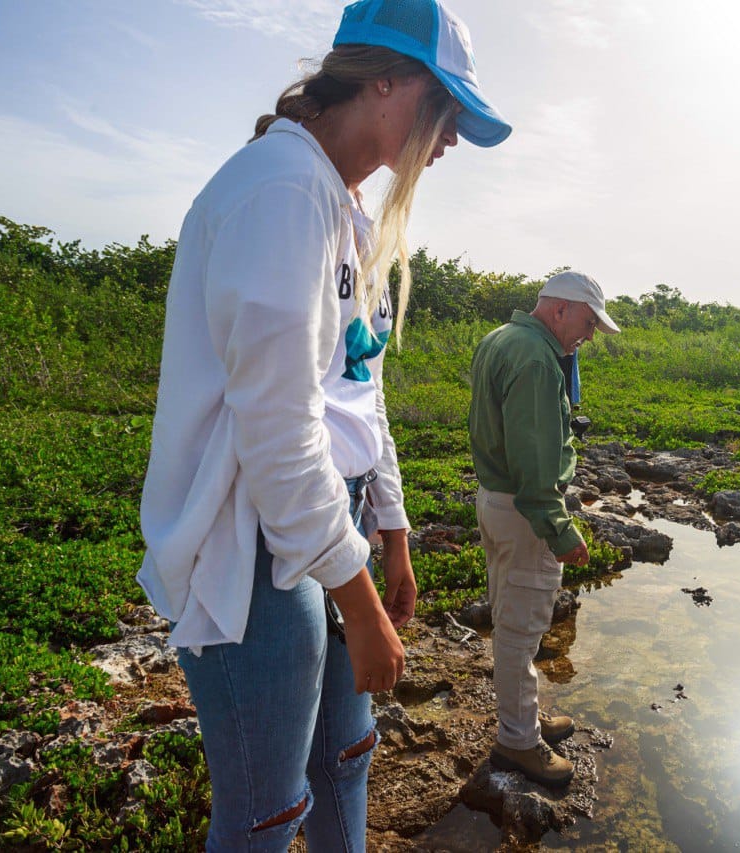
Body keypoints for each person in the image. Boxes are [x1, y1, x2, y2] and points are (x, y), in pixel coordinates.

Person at [137, 1, 510, 848]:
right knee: (267, 810)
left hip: (326, 521)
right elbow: (276, 428)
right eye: (445, 110)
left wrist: (393, 529)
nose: (449, 140)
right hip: (259, 545)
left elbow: (357, 388)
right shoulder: (280, 192)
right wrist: (360, 602)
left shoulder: (341, 206)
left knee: (347, 754)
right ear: (384, 79)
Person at [468, 271, 620, 787]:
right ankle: (517, 744)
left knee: (513, 616)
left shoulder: (502, 338)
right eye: (588, 321)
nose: (590, 334)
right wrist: (559, 528)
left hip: (497, 501)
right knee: (520, 629)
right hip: (524, 510)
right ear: (560, 310)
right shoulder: (536, 359)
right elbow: (534, 463)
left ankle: (524, 719)